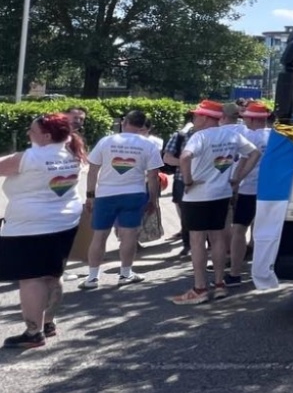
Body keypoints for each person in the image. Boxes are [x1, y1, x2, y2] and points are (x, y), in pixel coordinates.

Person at [0, 114, 85, 348]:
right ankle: (48, 323)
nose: (28, 133)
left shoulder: (31, 157)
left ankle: (33, 332)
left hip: (30, 226)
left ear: (46, 136)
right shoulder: (72, 152)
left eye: (32, 130)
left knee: (30, 279)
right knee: (52, 274)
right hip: (64, 222)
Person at [171, 100, 261, 305]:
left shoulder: (199, 136)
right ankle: (220, 284)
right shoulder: (232, 135)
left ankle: (200, 287)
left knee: (197, 241)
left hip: (198, 195)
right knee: (218, 239)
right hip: (222, 193)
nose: (193, 119)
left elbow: (184, 158)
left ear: (204, 117)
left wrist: (187, 181)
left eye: (195, 115)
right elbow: (255, 153)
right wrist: (239, 178)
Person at [80, 111, 162, 289]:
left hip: (105, 195)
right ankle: (125, 273)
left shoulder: (106, 141)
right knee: (129, 235)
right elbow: (154, 176)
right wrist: (153, 200)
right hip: (134, 194)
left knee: (99, 236)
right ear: (142, 126)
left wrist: (90, 195)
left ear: (124, 122)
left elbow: (92, 170)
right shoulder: (148, 144)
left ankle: (92, 277)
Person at [226, 101, 272, 287]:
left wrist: (235, 182)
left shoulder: (250, 137)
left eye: (245, 118)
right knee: (264, 231)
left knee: (238, 230)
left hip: (249, 189)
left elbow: (244, 161)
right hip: (269, 190)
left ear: (252, 119)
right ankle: (265, 270)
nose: (243, 120)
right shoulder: (274, 136)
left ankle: (235, 273)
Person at [163, 112, 195, 257]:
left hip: (206, 181)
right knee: (186, 215)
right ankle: (187, 245)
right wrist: (185, 164)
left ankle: (208, 246)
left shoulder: (213, 136)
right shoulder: (181, 136)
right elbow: (167, 157)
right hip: (182, 180)